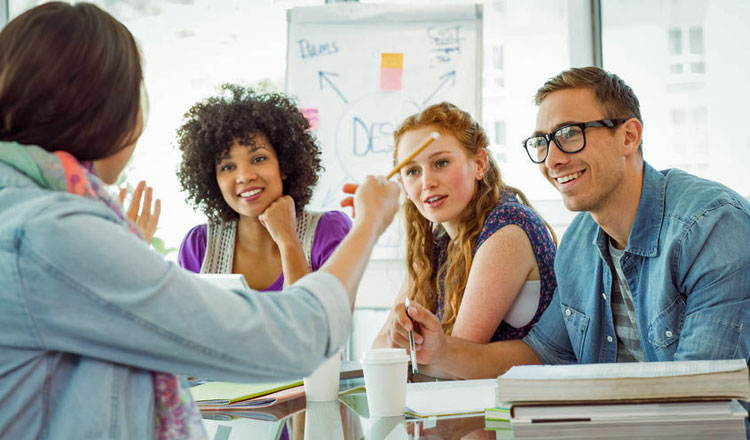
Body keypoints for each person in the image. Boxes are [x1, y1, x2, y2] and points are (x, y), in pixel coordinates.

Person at [0, 3, 400, 439]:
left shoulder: (28, 212)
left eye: (259, 159)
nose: (244, 175)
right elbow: (295, 338)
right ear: (111, 111)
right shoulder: (59, 233)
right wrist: (370, 224)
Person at [397, 66, 750, 380]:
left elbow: (705, 391)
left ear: (628, 136)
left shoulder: (711, 226)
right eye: (542, 142)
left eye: (569, 134)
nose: (552, 159)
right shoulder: (580, 242)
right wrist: (441, 350)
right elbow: (539, 354)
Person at [371, 102, 557, 378]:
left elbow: (456, 365)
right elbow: (377, 353)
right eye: (412, 171)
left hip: (519, 411)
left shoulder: (508, 228)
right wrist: (397, 338)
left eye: (441, 163)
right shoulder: (437, 241)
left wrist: (402, 354)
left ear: (480, 164)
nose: (426, 182)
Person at [176, 85, 351, 290]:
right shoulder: (200, 246)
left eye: (259, 159)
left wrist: (288, 241)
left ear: (284, 165)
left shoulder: (328, 231)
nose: (244, 176)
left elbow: (317, 320)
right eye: (228, 167)